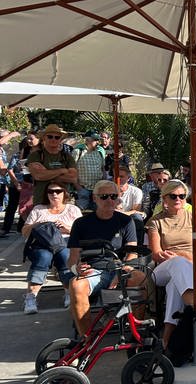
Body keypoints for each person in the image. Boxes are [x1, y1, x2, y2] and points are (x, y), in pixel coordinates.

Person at [67, 180, 142, 336]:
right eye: (104, 196)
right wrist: (76, 269)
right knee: (75, 285)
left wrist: (121, 271)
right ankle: (86, 338)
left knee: (140, 278)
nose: (109, 200)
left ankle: (135, 334)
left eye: (113, 196)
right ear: (95, 198)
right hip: (92, 270)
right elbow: (73, 258)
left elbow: (132, 253)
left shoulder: (126, 221)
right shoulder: (81, 223)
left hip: (118, 268)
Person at [147, 179, 196, 348]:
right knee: (177, 264)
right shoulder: (156, 221)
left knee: (175, 285)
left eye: (182, 196)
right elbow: (156, 253)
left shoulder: (195, 218)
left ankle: (166, 339)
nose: (178, 199)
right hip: (165, 267)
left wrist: (181, 255)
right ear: (164, 199)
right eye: (173, 196)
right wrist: (175, 257)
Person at [21, 181, 82, 313]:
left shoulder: (73, 210)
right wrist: (36, 224)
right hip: (41, 245)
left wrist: (67, 229)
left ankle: (68, 291)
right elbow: (24, 232)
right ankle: (31, 296)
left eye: (58, 191)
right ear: (46, 194)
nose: (54, 194)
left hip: (65, 243)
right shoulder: (39, 209)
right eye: (50, 191)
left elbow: (83, 233)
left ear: (64, 193)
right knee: (43, 257)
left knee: (64, 255)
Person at [27, 124, 78, 206]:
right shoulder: (36, 155)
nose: (53, 139)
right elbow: (38, 175)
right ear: (44, 138)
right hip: (41, 202)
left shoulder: (67, 156)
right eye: (50, 136)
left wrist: (47, 173)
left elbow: (73, 178)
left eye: (57, 137)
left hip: (63, 203)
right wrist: (62, 170)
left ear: (60, 139)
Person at [74, 132, 105, 211]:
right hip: (83, 189)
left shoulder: (99, 152)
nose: (97, 142)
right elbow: (71, 169)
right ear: (87, 140)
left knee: (98, 213)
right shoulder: (78, 151)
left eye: (98, 140)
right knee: (81, 214)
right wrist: (78, 186)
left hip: (97, 190)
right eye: (95, 140)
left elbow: (102, 169)